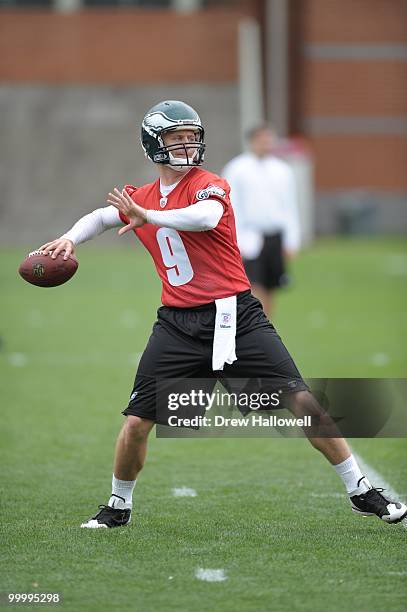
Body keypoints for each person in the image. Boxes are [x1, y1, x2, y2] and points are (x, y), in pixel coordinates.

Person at [40, 100, 406, 529]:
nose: (187, 145)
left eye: (191, 136)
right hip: (176, 323)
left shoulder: (208, 184)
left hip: (235, 316)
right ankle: (118, 505)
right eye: (176, 138)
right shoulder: (141, 196)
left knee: (302, 399)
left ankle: (359, 489)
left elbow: (205, 217)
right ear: (153, 144)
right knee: (138, 420)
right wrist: (69, 238)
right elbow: (102, 216)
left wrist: (149, 217)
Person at [222, 125, 300, 315]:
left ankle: (266, 325)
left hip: (274, 235)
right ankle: (255, 324)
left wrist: (292, 239)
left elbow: (289, 205)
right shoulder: (237, 169)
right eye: (261, 139)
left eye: (269, 139)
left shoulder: (282, 170)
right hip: (249, 235)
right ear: (251, 142)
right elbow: (232, 206)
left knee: (271, 286)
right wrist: (235, 238)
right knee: (253, 284)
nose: (266, 144)